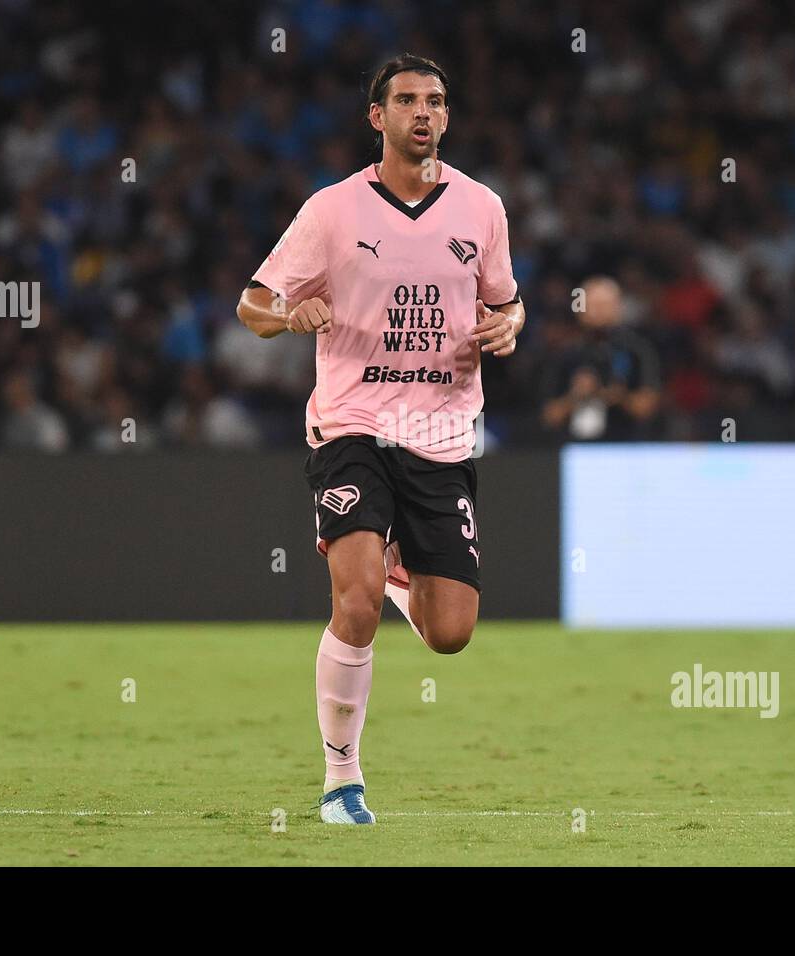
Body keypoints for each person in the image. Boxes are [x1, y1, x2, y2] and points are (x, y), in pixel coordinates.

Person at [236, 54, 523, 824]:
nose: (422, 113)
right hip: (352, 425)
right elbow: (252, 304)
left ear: (447, 117)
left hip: (442, 434)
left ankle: (401, 567)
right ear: (377, 117)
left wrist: (508, 325)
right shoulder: (332, 211)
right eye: (405, 101)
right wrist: (287, 316)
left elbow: (509, 303)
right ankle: (341, 781)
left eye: (435, 100)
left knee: (450, 634)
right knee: (354, 604)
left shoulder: (482, 208)